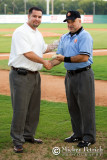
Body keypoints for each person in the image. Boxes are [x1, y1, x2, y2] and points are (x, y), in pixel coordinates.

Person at [8, 6, 58, 153]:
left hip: (35, 75)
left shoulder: (37, 33)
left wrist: (57, 43)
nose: (37, 19)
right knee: (20, 109)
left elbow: (42, 48)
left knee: (33, 108)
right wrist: (44, 62)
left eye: (39, 17)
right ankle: (17, 140)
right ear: (28, 16)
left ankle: (28, 135)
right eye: (34, 16)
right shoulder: (21, 32)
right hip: (21, 75)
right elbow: (27, 53)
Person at [50, 10, 96, 148]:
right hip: (69, 76)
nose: (70, 24)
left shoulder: (84, 36)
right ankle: (77, 134)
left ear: (79, 21)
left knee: (86, 107)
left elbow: (84, 57)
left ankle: (89, 136)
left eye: (73, 21)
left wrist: (64, 59)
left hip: (83, 75)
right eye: (68, 22)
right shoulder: (64, 37)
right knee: (73, 106)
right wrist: (49, 64)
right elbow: (59, 57)